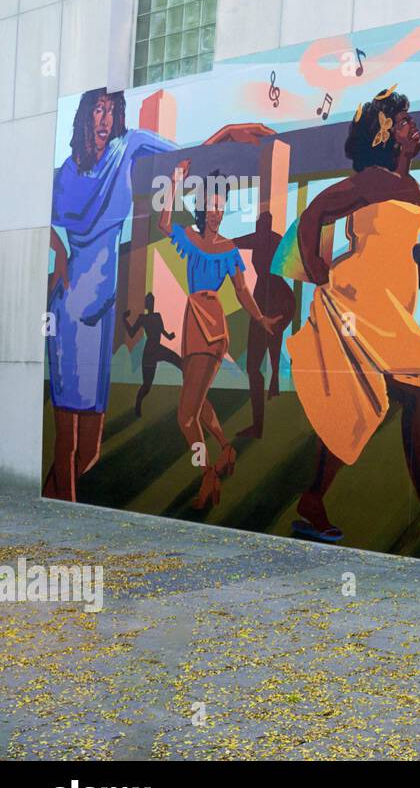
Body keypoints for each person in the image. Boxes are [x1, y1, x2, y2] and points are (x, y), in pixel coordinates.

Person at [287, 86, 420, 560]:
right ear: (386, 135)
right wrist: (319, 274)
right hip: (360, 305)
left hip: (387, 307)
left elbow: (395, 253)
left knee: (358, 404)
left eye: (408, 119)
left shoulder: (412, 189)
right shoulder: (373, 180)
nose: (412, 126)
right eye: (402, 121)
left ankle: (313, 500)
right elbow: (315, 212)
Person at [44, 86, 270, 502]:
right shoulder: (63, 176)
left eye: (112, 110)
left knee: (88, 452)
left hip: (104, 313)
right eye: (98, 109)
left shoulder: (128, 148)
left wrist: (226, 133)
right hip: (71, 315)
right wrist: (58, 256)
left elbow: (185, 156)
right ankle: (65, 519)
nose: (105, 118)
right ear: (84, 116)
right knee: (67, 444)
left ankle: (56, 503)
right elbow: (35, 220)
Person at [158, 164, 280, 510]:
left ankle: (208, 473)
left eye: (222, 204)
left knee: (185, 416)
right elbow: (164, 224)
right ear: (201, 207)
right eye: (212, 205)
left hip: (211, 331)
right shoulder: (191, 239)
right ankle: (226, 448)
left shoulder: (228, 249)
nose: (217, 212)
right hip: (191, 325)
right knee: (196, 403)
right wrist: (174, 181)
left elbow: (242, 291)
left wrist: (260, 318)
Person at [232, 211, 296, 439]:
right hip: (273, 297)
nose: (261, 228)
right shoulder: (269, 238)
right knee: (265, 347)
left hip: (273, 297)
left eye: (263, 225)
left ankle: (259, 422)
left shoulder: (269, 239)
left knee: (255, 362)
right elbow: (233, 243)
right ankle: (274, 383)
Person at [122, 292, 181, 417]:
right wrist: (124, 319)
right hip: (149, 352)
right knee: (147, 385)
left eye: (152, 300)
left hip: (158, 349)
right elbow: (132, 333)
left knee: (179, 361)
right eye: (149, 301)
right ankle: (138, 405)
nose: (151, 302)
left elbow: (163, 332)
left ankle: (192, 390)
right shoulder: (142, 318)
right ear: (146, 304)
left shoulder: (157, 316)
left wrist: (170, 336)